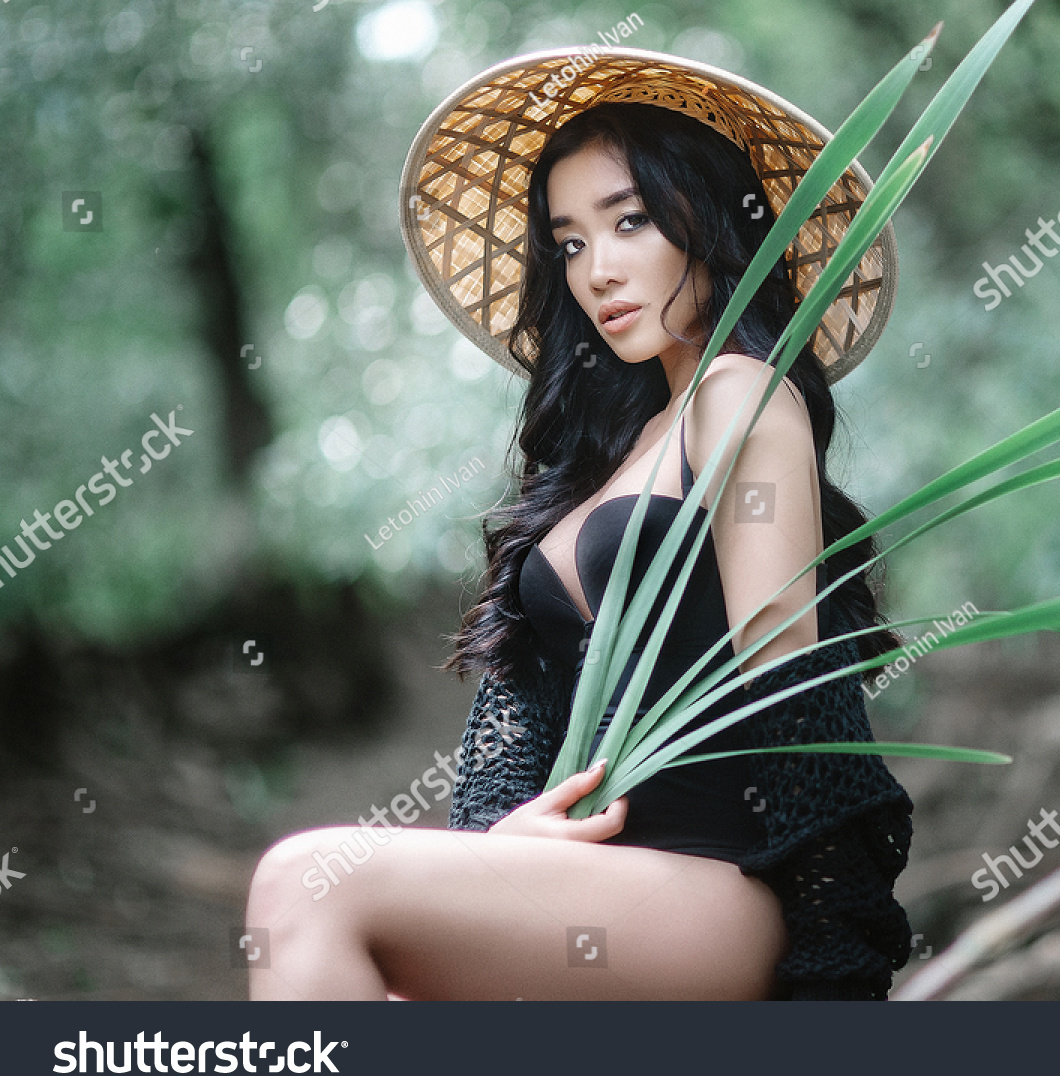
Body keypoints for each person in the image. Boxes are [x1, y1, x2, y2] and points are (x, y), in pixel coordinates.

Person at [246, 47, 914, 1000]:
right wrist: (501, 843)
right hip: (597, 884)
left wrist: (828, 957)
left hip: (713, 882)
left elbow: (794, 699)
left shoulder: (744, 394)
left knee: (303, 885)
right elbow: (523, 710)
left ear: (711, 223)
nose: (598, 270)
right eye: (567, 242)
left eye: (629, 221)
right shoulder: (608, 448)